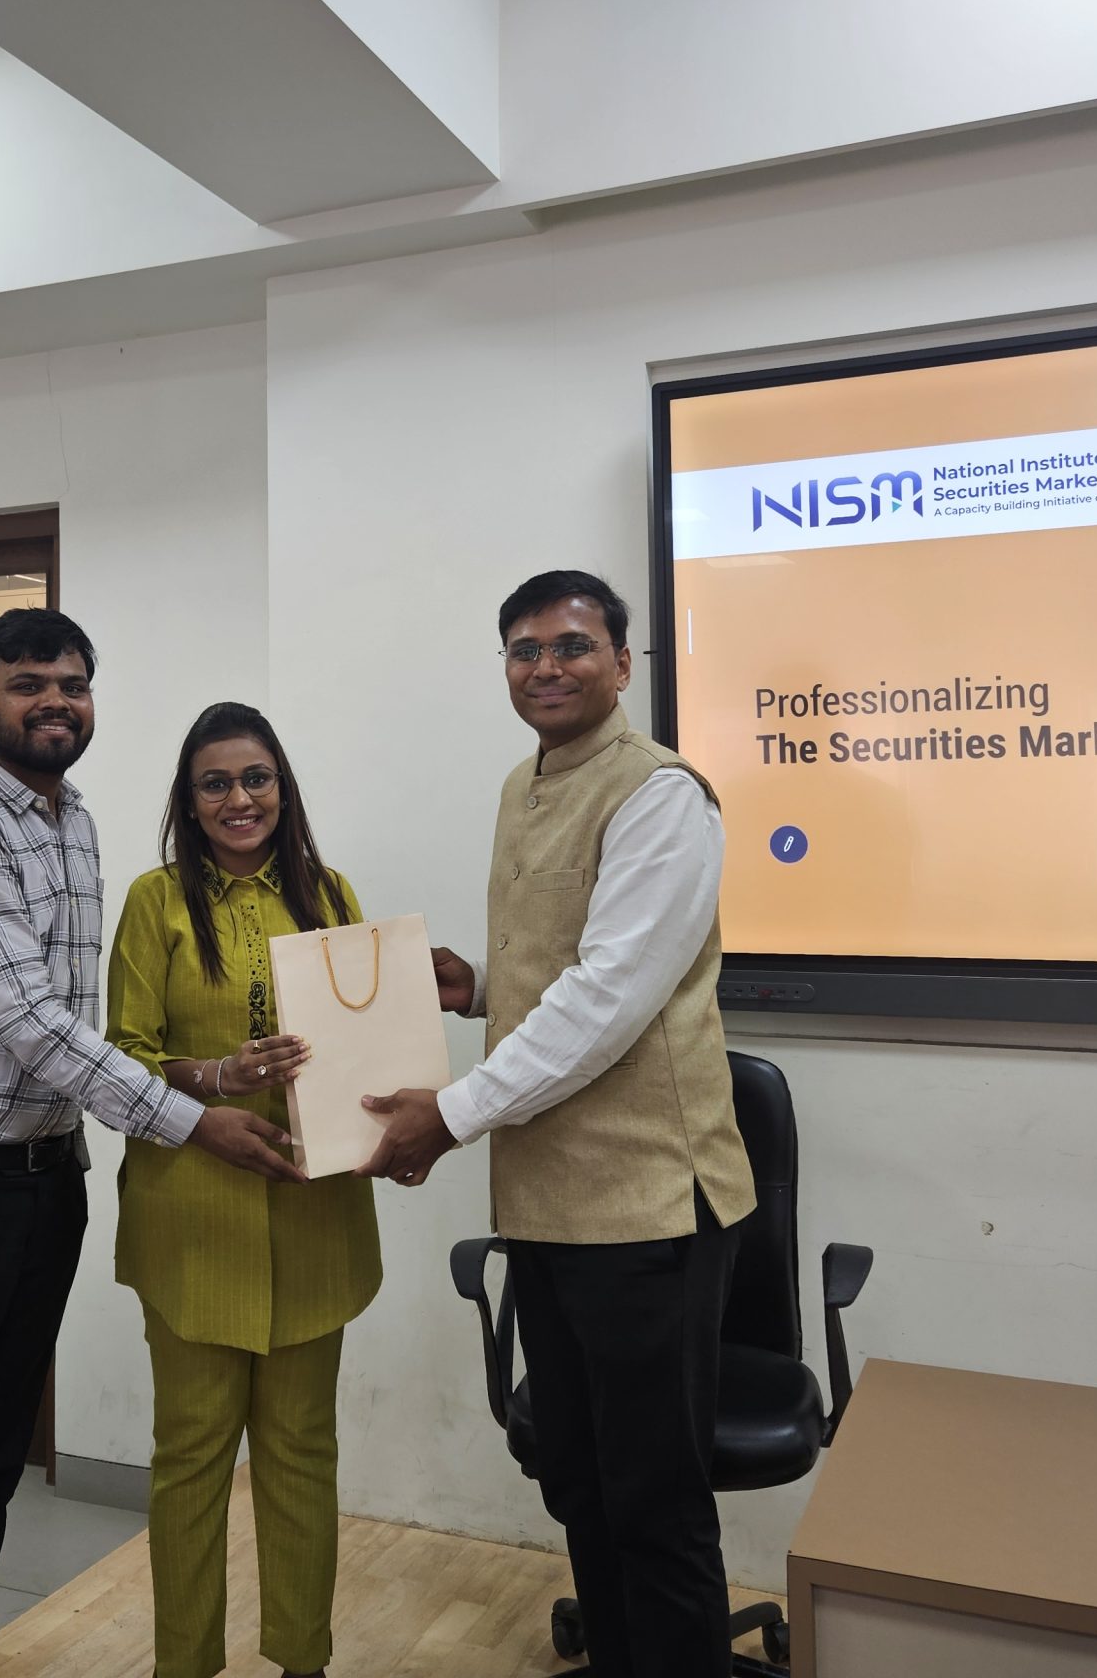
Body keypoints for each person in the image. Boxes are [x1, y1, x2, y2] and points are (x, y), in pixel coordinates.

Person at [0, 610, 303, 1678]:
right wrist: (194, 1121)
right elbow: (29, 1024)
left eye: (72, 684)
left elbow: (78, 1029)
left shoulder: (70, 821)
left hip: (37, 1185)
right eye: (28, 684)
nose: (55, 703)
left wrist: (210, 1076)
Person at [361, 569, 757, 1678]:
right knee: (581, 1483)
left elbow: (612, 996)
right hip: (546, 1203)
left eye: (573, 646)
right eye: (524, 650)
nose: (547, 667)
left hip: (644, 1206)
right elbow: (571, 966)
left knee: (654, 1503)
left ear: (623, 663)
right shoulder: (522, 785)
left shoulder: (661, 794)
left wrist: (449, 1114)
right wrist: (479, 988)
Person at [106, 702, 377, 1678]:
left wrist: (393, 1120)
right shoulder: (155, 902)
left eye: (255, 778)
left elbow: (364, 1042)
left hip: (314, 1213)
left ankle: (304, 1660)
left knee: (302, 1455)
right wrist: (214, 1083)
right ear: (189, 801)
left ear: (282, 788)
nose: (238, 799)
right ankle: (184, 1666)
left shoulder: (331, 893)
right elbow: (124, 1058)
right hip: (194, 1218)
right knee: (190, 1460)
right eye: (214, 783)